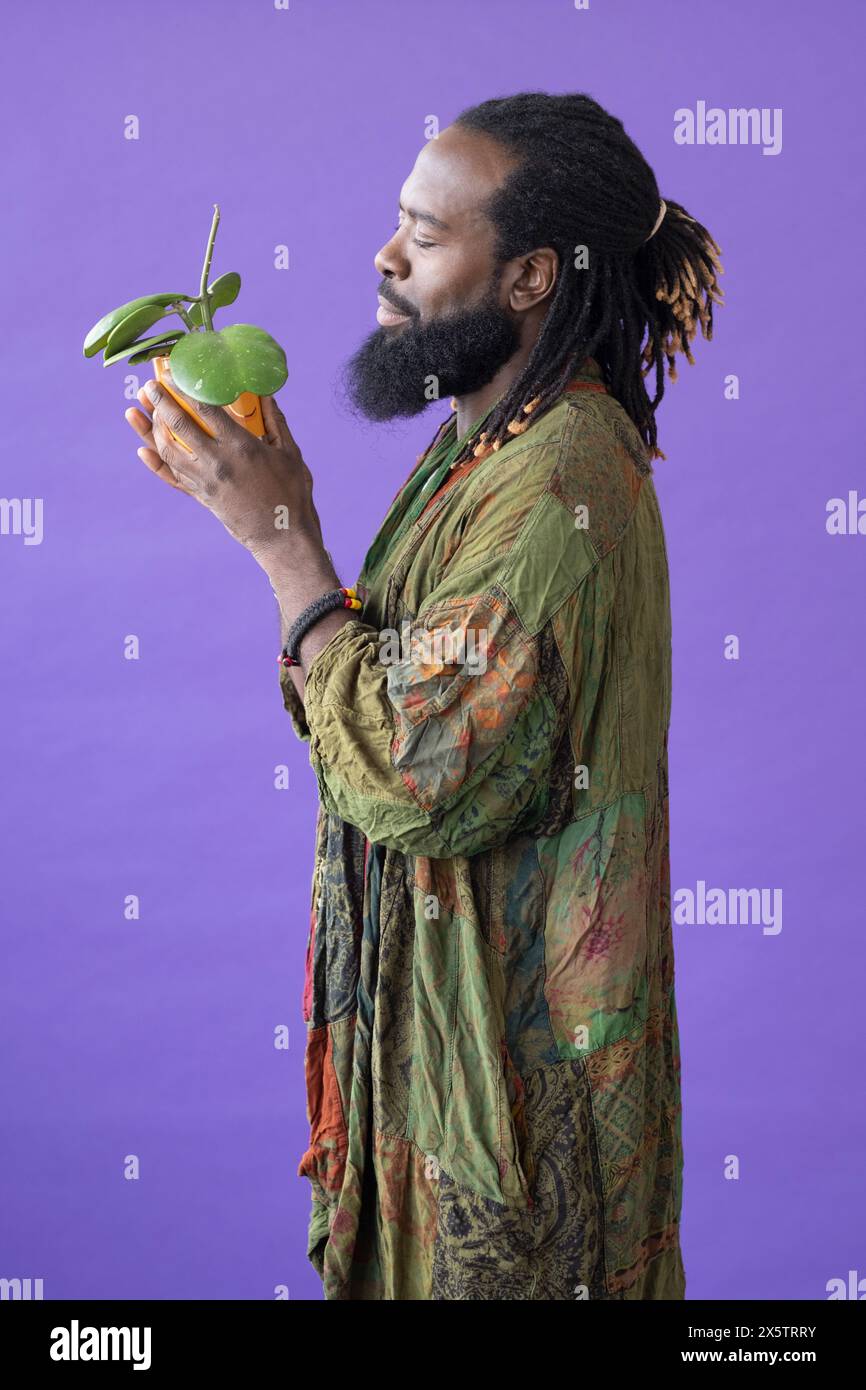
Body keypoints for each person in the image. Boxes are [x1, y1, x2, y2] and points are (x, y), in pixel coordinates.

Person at [126, 91, 723, 1301]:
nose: (384, 258)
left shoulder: (557, 481)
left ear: (529, 278)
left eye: (426, 234)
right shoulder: (488, 445)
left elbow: (414, 770)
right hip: (437, 1097)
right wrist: (275, 514)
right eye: (395, 224)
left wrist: (284, 547)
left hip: (512, 1120)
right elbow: (395, 683)